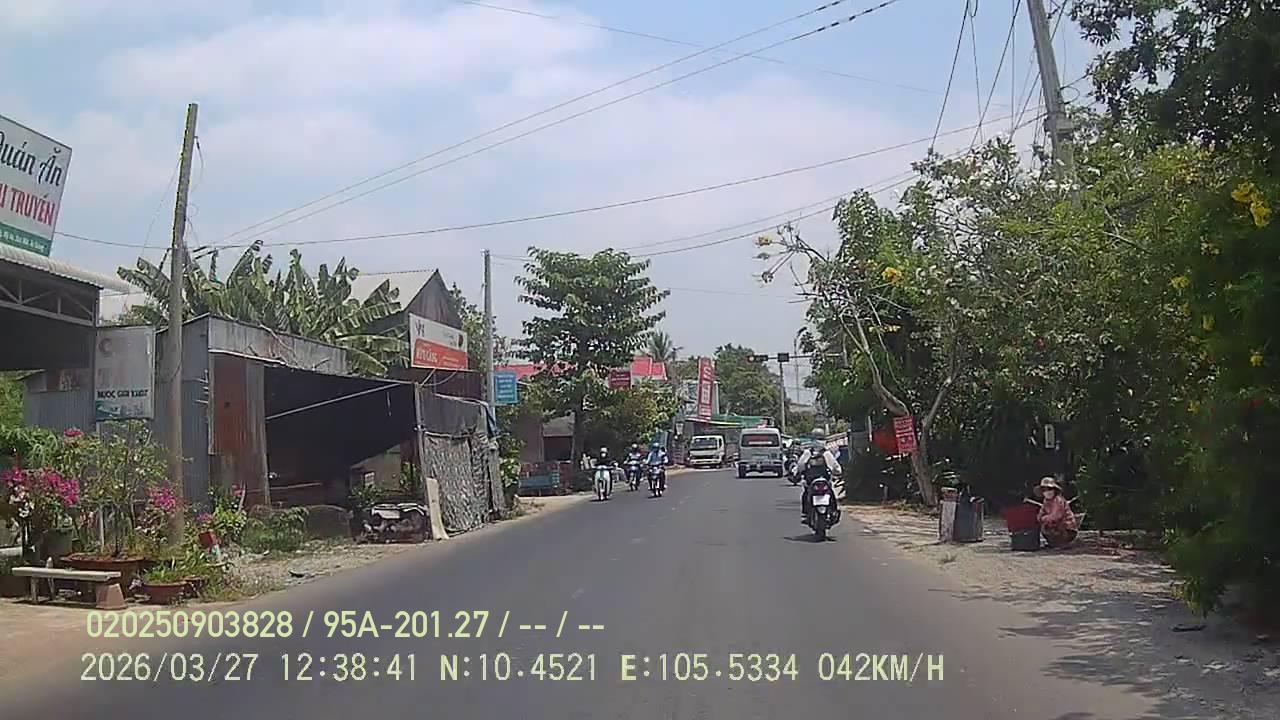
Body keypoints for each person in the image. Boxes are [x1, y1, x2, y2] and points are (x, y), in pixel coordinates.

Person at [795, 441, 843, 522]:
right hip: (825, 480)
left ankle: (806, 513)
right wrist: (837, 473)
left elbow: (800, 466)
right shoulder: (826, 454)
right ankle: (834, 511)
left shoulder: (808, 453)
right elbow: (836, 468)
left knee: (806, 493)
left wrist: (800, 473)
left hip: (811, 481)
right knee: (831, 493)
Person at [1036, 476, 1077, 548]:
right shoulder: (1046, 501)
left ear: (1054, 490)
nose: (1047, 492)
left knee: (1052, 525)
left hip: (1067, 528)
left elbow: (1057, 516)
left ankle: (1062, 542)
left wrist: (1044, 518)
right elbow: (1040, 515)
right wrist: (1041, 518)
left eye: (1050, 489)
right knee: (1044, 527)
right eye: (1044, 490)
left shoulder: (1058, 500)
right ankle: (1054, 542)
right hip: (1054, 525)